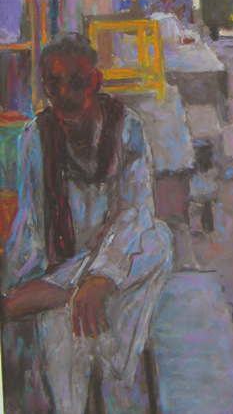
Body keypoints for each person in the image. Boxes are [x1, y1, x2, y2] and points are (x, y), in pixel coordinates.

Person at [1, 32, 173, 414]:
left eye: (76, 82)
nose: (65, 94)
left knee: (158, 239)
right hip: (61, 268)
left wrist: (100, 275)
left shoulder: (127, 129)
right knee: (62, 327)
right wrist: (34, 277)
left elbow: (134, 214)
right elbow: (31, 228)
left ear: (95, 81)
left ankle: (54, 294)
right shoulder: (35, 138)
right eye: (54, 84)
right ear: (44, 87)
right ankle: (58, 295)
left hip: (115, 268)